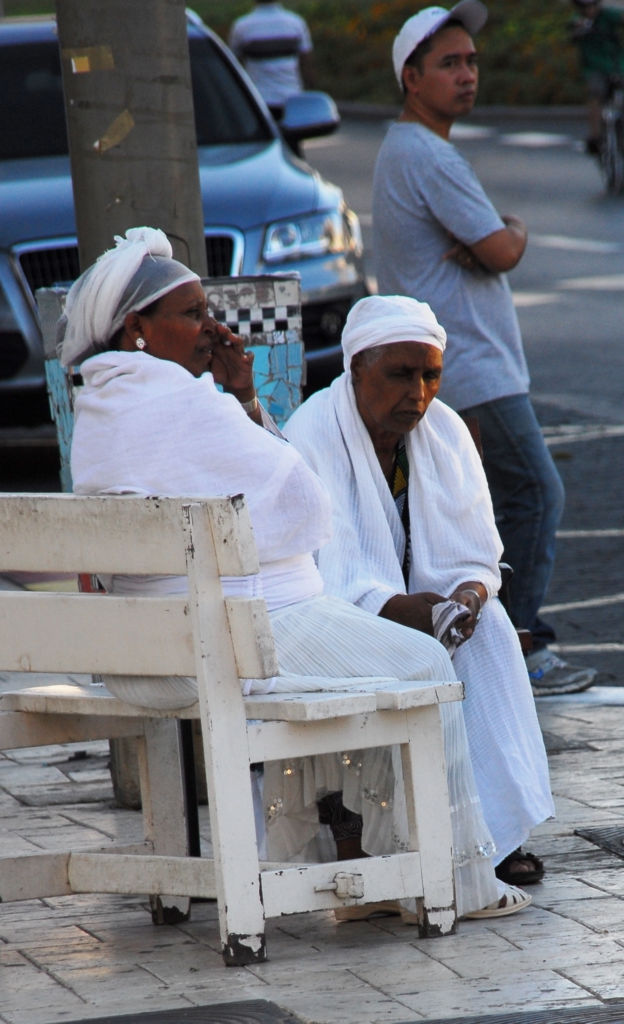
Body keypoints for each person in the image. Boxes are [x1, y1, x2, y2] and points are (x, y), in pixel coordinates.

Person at [59, 226, 530, 920]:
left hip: (158, 646)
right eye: (191, 313)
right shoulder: (183, 403)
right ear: (137, 328)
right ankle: (452, 882)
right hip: (233, 639)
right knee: (425, 666)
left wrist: (240, 393)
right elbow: (307, 508)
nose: (208, 326)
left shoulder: (100, 404)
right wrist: (238, 402)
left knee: (371, 659)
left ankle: (368, 874)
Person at [285, 294, 555, 892]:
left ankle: (497, 837)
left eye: (431, 375)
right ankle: (392, 840)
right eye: (400, 375)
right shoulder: (310, 434)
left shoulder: (445, 430)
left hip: (427, 608)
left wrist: (468, 598)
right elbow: (323, 571)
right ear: (357, 369)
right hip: (334, 618)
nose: (419, 393)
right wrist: (398, 610)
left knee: (493, 638)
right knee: (420, 656)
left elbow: (478, 552)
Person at [371, 2, 597, 696]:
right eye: (448, 63)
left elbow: (485, 249)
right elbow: (501, 250)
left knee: (476, 508)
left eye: (470, 60)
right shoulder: (426, 154)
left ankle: (483, 642)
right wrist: (514, 226)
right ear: (411, 78)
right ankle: (523, 644)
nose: (466, 74)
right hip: (470, 363)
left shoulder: (410, 149)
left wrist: (491, 238)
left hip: (459, 362)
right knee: (534, 491)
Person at [229, 0, 315, 118]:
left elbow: (234, 65)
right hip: (292, 101)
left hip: (257, 102)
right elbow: (307, 63)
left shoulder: (241, 26)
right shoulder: (296, 23)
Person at [570, 0, 624, 153]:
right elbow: (574, 27)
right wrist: (578, 29)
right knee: (596, 94)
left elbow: (620, 17)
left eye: (592, 6)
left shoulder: (607, 16)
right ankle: (595, 137)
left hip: (617, 66)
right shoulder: (578, 20)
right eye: (586, 7)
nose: (590, 10)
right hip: (595, 68)